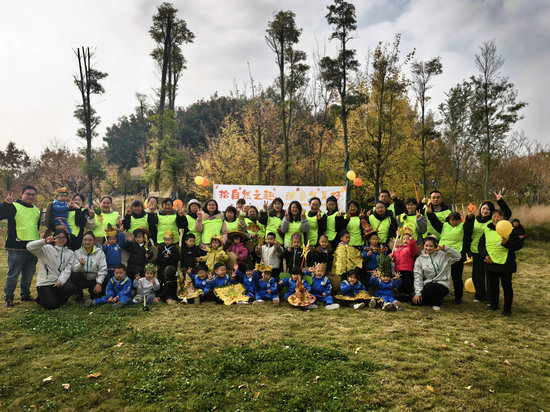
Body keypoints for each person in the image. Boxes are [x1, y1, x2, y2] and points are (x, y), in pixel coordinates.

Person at [464, 193, 511, 303]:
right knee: (477, 275)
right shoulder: (474, 219)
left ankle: (490, 297)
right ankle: (480, 295)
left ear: (492, 212)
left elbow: (507, 214)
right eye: (483, 209)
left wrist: (500, 201)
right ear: (480, 209)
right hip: (476, 250)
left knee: (490, 277)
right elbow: (467, 233)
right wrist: (467, 249)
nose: (485, 211)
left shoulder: (494, 221)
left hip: (489, 252)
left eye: (488, 210)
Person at [478, 210, 523, 316]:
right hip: (491, 262)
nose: (496, 218)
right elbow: (481, 245)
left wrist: (507, 243)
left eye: (499, 216)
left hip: (506, 263)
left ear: (504, 218)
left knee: (506, 286)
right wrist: (485, 255)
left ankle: (507, 309)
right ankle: (494, 305)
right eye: (494, 216)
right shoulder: (487, 229)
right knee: (493, 286)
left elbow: (518, 245)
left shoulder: (510, 230)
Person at [1, 186, 41, 306]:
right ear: (21, 194)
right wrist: (5, 205)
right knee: (13, 274)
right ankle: (9, 297)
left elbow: (36, 228)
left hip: (32, 247)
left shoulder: (36, 211)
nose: (31, 196)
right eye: (28, 194)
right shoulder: (13, 206)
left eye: (33, 194)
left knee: (28, 274)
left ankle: (25, 295)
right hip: (16, 246)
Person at [427, 207, 469, 304]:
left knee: (457, 278)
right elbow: (435, 222)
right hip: (443, 255)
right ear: (449, 220)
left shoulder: (463, 226)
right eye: (452, 220)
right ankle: (440, 295)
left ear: (460, 220)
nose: (454, 222)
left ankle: (458, 297)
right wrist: (430, 214)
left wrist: (470, 217)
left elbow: (469, 227)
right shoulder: (444, 226)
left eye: (456, 220)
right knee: (441, 276)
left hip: (456, 255)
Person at [26, 230, 77, 310]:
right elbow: (29, 246)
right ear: (54, 238)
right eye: (58, 237)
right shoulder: (46, 249)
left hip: (58, 283)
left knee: (71, 288)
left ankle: (49, 296)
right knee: (51, 306)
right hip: (45, 283)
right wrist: (44, 241)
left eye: (63, 237)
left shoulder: (70, 253)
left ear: (67, 239)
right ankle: (43, 297)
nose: (61, 240)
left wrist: (61, 281)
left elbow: (68, 269)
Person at [412, 237, 461, 311]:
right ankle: (432, 299)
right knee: (415, 302)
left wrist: (446, 249)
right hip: (428, 284)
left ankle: (436, 303)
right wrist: (418, 293)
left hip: (442, 284)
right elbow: (418, 277)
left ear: (435, 247)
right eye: (426, 246)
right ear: (423, 246)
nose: (428, 248)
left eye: (431, 246)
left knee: (430, 287)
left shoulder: (443, 255)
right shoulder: (419, 259)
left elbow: (458, 256)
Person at [70, 231, 108, 301]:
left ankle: (94, 292)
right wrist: (80, 265)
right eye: (85, 240)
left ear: (94, 241)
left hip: (94, 279)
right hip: (82, 279)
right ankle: (79, 294)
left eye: (90, 240)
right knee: (75, 276)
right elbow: (74, 269)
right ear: (82, 241)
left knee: (96, 296)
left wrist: (99, 283)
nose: (87, 242)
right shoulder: (77, 252)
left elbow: (103, 268)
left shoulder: (100, 252)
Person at [389, 228, 417, 302]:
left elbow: (413, 250)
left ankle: (407, 295)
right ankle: (400, 294)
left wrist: (411, 241)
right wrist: (391, 256)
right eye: (404, 239)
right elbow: (395, 256)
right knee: (400, 283)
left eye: (407, 239)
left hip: (407, 270)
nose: (405, 240)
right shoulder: (398, 248)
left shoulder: (409, 248)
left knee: (407, 283)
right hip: (398, 269)